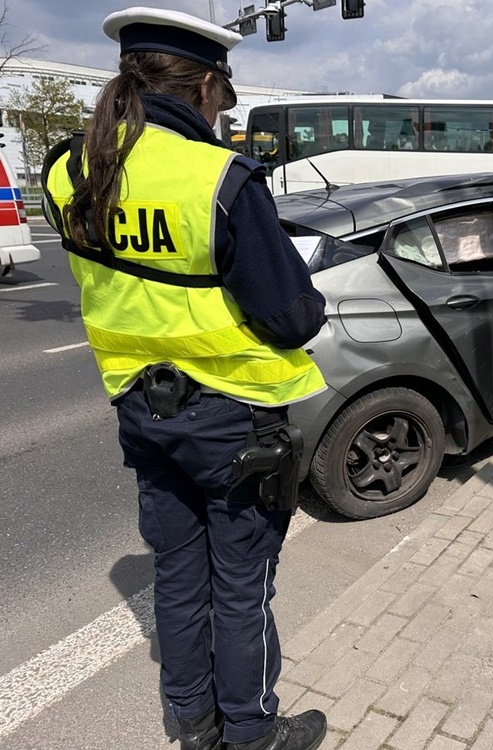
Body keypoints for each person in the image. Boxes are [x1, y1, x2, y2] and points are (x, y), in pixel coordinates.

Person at [40, 9, 328, 750]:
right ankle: (252, 734)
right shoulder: (220, 177)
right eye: (223, 101)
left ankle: (193, 726)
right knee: (240, 588)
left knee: (176, 575)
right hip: (236, 422)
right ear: (205, 85)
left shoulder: (70, 168)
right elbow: (293, 317)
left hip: (142, 410)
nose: (222, 114)